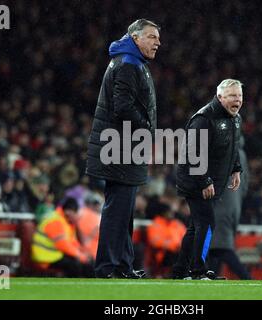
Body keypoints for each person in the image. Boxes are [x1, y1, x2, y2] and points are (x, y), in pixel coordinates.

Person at [86, 19, 160, 278]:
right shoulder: (129, 64)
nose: (157, 42)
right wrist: (146, 127)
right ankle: (108, 267)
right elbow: (123, 106)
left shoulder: (131, 61)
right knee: (117, 211)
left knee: (124, 211)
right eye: (151, 37)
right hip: (121, 148)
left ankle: (122, 266)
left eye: (158, 38)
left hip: (123, 147)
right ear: (135, 37)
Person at [173, 79, 243, 280]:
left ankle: (180, 271)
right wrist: (204, 180)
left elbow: (232, 146)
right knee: (207, 223)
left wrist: (236, 169)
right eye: (232, 96)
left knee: (196, 226)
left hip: (213, 181)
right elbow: (193, 153)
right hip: (195, 181)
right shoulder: (204, 118)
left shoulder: (235, 119)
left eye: (239, 96)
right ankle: (198, 271)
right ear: (220, 97)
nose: (237, 100)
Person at [206, 136, 252, 279]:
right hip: (233, 205)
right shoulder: (241, 153)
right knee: (215, 247)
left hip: (221, 204)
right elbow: (245, 184)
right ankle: (212, 276)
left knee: (222, 247)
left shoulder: (224, 150)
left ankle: (247, 278)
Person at [31, 197, 94, 277]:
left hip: (54, 255)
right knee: (76, 265)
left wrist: (83, 252)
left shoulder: (65, 221)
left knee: (89, 261)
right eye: (76, 214)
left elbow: (71, 242)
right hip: (45, 257)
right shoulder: (55, 221)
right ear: (69, 212)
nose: (77, 218)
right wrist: (81, 256)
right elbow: (63, 245)